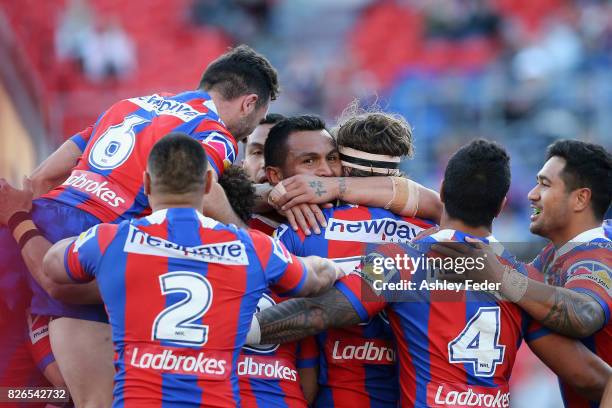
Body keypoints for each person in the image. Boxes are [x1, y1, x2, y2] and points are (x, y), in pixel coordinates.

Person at [0, 44, 279, 407]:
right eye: (252, 130)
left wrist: (25, 218)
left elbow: (42, 178)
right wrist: (246, 242)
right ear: (248, 103)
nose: (243, 141)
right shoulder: (213, 131)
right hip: (87, 244)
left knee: (30, 390)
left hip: (33, 226)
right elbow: (204, 189)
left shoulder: (129, 105)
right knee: (96, 399)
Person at [248, 139, 611, 406]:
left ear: (441, 191)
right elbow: (590, 377)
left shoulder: (401, 260)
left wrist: (244, 328)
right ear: (501, 206)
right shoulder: (525, 282)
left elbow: (318, 312)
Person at [5, 133, 343, 407]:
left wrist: (20, 218)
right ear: (210, 183)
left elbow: (51, 266)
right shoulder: (255, 247)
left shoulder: (111, 240)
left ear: (148, 184)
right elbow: (313, 278)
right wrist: (336, 267)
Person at [267, 112, 435, 406]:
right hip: (413, 396)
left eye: (331, 159)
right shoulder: (433, 234)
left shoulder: (301, 229)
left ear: (344, 165)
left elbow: (290, 337)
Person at [431, 139, 612, 407]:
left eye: (545, 184)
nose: (532, 194)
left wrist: (502, 279)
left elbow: (585, 314)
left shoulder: (599, 255)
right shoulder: (555, 256)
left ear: (580, 198)